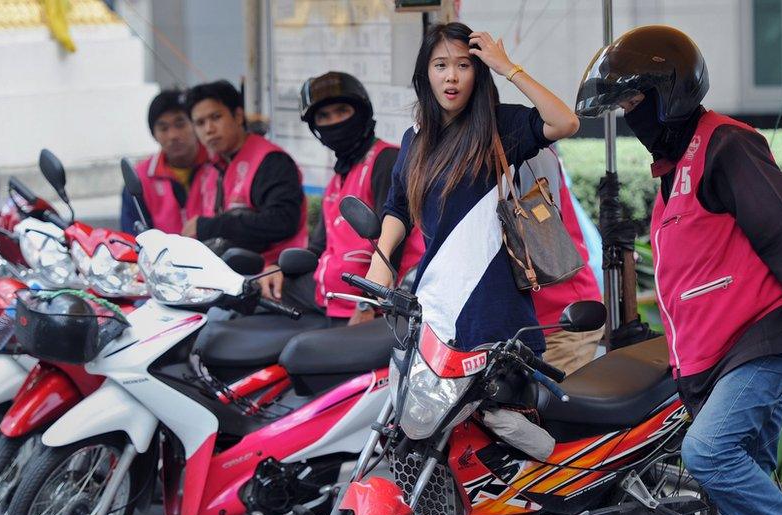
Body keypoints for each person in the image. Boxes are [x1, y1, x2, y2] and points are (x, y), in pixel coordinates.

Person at [576, 25, 782, 515]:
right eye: (623, 105)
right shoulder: (673, 171)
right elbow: (694, 281)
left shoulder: (727, 145)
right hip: (725, 356)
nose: (630, 116)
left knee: (708, 455)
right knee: (747, 496)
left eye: (635, 100)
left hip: (766, 341)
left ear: (668, 94)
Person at [363, 22, 579, 356]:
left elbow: (565, 122)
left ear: (478, 73)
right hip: (435, 310)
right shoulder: (415, 139)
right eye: (441, 65)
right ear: (426, 74)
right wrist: (381, 259)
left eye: (463, 65)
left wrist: (508, 68)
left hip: (496, 318)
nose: (451, 76)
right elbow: (399, 207)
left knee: (504, 409)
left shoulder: (502, 126)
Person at [258, 71, 425, 326]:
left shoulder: (386, 160)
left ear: (361, 112)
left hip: (379, 308)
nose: (334, 121)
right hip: (330, 298)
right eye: (324, 116)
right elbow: (317, 248)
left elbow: (394, 239)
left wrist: (368, 304)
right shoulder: (337, 181)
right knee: (256, 296)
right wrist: (277, 269)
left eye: (341, 111)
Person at [185, 80, 307, 264]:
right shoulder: (212, 168)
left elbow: (283, 221)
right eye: (200, 123)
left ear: (238, 116)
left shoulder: (271, 160)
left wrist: (211, 226)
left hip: (274, 272)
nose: (209, 129)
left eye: (216, 117)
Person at [522, 145, 603, 375]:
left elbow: (543, 230)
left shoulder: (532, 153)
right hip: (531, 324)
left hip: (561, 318)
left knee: (550, 409)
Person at [121, 88, 208, 235]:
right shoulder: (140, 180)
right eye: (163, 128)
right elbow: (132, 238)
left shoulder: (218, 165)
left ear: (195, 125)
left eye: (180, 124)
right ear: (154, 135)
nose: (173, 135)